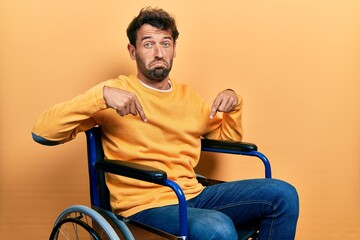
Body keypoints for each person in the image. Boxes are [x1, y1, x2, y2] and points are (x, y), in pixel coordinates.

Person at [32, 7, 299, 240]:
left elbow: (227, 142)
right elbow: (43, 132)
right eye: (148, 43)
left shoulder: (189, 97)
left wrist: (233, 103)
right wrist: (100, 96)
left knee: (283, 195)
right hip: (145, 203)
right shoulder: (115, 92)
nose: (158, 52)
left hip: (192, 194)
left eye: (166, 43)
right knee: (217, 229)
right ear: (132, 50)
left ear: (174, 49)